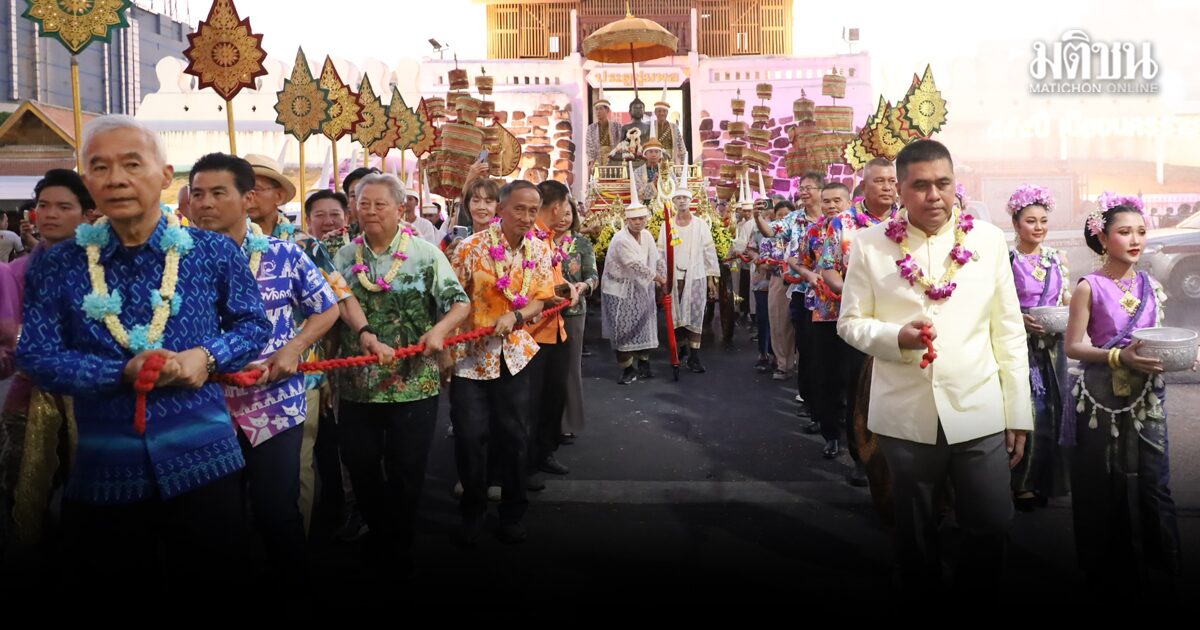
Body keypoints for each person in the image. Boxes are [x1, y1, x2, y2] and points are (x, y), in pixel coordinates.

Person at [15, 115, 271, 594]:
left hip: (205, 462)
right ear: (88, 180)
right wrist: (118, 372)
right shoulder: (56, 264)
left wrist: (208, 356)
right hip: (104, 471)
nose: (116, 178)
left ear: (164, 174)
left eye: (132, 164)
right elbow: (37, 355)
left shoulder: (212, 251)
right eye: (101, 167)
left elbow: (254, 325)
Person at [837, 139, 1032, 593]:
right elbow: (850, 324)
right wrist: (894, 338)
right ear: (899, 189)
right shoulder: (869, 245)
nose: (934, 196)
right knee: (915, 534)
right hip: (905, 416)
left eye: (943, 183)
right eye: (920, 185)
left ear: (954, 184)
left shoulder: (987, 240)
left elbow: (1008, 331)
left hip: (979, 408)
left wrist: (1018, 412)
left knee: (991, 524)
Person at [189, 152, 339, 589]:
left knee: (277, 512)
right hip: (204, 406)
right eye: (198, 194)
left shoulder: (284, 254)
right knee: (217, 519)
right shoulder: (174, 261)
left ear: (246, 198)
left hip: (274, 403)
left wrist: (294, 348)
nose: (205, 204)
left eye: (218, 193)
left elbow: (325, 309)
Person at [333, 172, 470, 572]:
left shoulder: (426, 253)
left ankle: (400, 540)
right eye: (363, 203)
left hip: (415, 383)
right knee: (359, 464)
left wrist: (439, 331)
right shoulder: (344, 256)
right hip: (359, 385)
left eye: (380, 204)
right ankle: (379, 530)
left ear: (400, 208)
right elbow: (336, 305)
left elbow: (458, 303)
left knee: (407, 468)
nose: (370, 211)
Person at [1062, 193, 1183, 585]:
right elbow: (1073, 347)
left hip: (1147, 394)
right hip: (1101, 396)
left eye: (1141, 232)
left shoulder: (1151, 283)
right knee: (1105, 480)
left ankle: (1162, 561)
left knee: (1153, 479)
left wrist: (1183, 355)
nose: (1136, 240)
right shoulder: (1089, 287)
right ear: (1101, 238)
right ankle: (1107, 568)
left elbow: (1155, 337)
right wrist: (1118, 359)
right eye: (1124, 232)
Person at [450, 180, 554, 545]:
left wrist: (518, 315)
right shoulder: (470, 248)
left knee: (515, 437)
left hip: (514, 357)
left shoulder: (540, 252)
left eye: (532, 209)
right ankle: (473, 512)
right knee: (469, 437)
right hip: (470, 360)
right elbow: (451, 298)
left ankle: (513, 513)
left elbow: (540, 299)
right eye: (519, 209)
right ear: (501, 209)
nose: (526, 217)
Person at [0, 169, 93, 545]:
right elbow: (8, 348)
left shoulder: (106, 268)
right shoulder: (17, 271)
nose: (50, 214)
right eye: (43, 205)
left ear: (88, 214)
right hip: (29, 401)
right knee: (21, 504)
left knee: (92, 507)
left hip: (95, 405)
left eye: (63, 206)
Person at [817, 158, 900, 485]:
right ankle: (860, 456)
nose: (888, 187)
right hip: (858, 322)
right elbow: (827, 267)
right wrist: (851, 293)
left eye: (893, 181)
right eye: (880, 181)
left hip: (898, 322)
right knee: (858, 391)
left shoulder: (906, 220)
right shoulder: (843, 223)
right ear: (864, 186)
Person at [1005, 185, 1071, 511]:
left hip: (1053, 345)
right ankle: (1022, 484)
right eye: (1031, 221)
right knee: (1029, 411)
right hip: (1020, 344)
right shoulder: (1007, 259)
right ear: (1016, 224)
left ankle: (1047, 480)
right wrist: (1021, 318)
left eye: (1043, 220)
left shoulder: (1058, 259)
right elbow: (997, 306)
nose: (1039, 227)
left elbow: (1066, 298)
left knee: (1054, 411)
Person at [602, 200, 663, 384]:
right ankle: (627, 369)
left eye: (641, 218)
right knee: (623, 329)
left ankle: (644, 364)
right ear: (627, 220)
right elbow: (634, 265)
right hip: (619, 289)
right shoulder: (620, 239)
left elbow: (656, 258)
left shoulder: (647, 236)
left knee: (644, 324)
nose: (638, 222)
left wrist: (664, 274)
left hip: (641, 288)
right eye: (634, 219)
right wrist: (659, 278)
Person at [658, 187, 719, 373]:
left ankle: (694, 356)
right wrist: (662, 279)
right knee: (676, 315)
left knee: (695, 314)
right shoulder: (667, 225)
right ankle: (681, 349)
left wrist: (711, 279)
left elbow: (709, 252)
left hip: (696, 275)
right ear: (673, 202)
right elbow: (660, 254)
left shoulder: (700, 224)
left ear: (690, 200)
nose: (682, 201)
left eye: (685, 197)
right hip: (674, 277)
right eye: (678, 198)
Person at [554, 197, 597, 443]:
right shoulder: (540, 241)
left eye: (568, 214)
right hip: (542, 313)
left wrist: (585, 286)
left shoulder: (581, 243)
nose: (563, 219)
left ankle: (567, 422)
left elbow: (592, 274)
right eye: (558, 213)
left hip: (573, 312)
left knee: (570, 367)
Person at [585, 92, 621, 172]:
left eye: (601, 108)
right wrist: (591, 162)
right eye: (596, 109)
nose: (598, 112)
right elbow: (589, 147)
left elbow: (620, 144)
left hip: (614, 160)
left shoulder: (617, 126)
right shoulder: (591, 128)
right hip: (597, 160)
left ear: (607, 110)